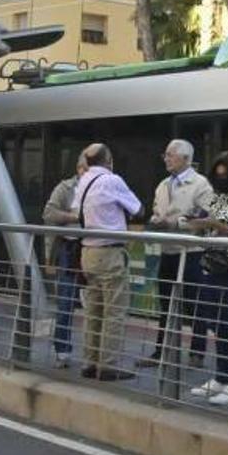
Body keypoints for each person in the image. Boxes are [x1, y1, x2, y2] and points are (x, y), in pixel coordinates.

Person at [186, 152, 228, 405]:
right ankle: (222, 376)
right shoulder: (216, 196)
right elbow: (209, 225)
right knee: (214, 321)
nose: (220, 177)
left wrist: (216, 225)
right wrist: (199, 224)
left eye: (225, 172)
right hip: (210, 264)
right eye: (217, 172)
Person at [139, 139, 215, 368]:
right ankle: (163, 351)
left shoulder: (201, 184)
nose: (166, 158)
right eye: (166, 154)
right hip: (168, 251)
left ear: (185, 158)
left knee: (195, 304)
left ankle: (197, 353)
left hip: (191, 251)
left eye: (170, 154)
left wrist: (174, 223)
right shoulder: (163, 185)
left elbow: (206, 218)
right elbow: (156, 210)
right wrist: (156, 220)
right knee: (166, 304)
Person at [70, 143, 142, 381]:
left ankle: (89, 363)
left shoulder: (83, 182)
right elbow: (138, 208)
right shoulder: (112, 180)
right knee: (114, 312)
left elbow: (75, 212)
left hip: (87, 252)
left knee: (93, 310)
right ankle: (108, 365)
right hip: (110, 253)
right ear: (108, 159)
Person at [42, 154, 87, 368]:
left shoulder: (103, 186)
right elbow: (48, 213)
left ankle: (96, 355)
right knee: (66, 301)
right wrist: (74, 217)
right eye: (87, 168)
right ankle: (62, 350)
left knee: (97, 304)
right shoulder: (65, 188)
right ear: (78, 168)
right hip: (70, 250)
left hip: (94, 248)